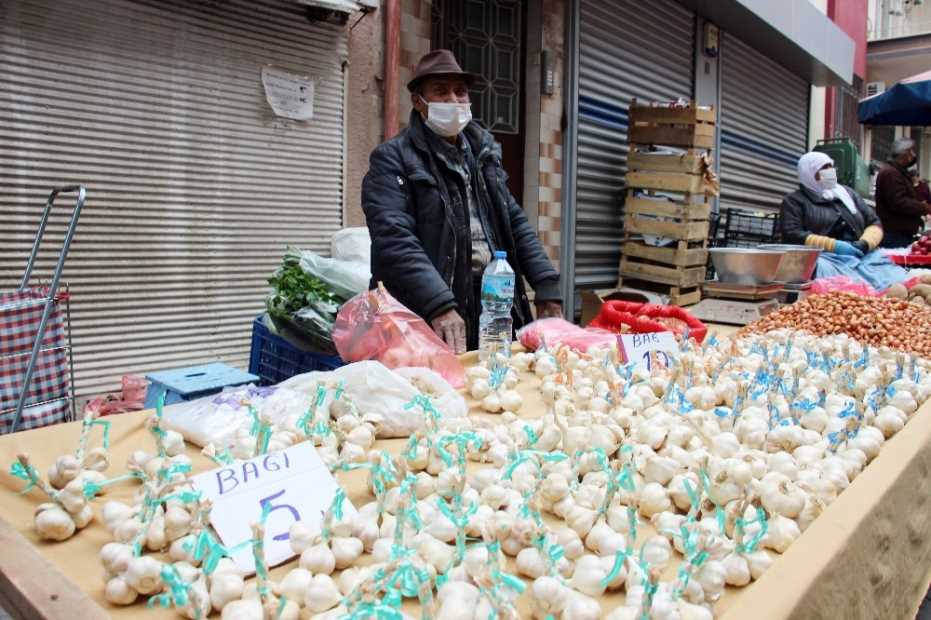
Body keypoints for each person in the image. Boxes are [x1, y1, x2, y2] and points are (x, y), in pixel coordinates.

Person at [361, 50, 561, 354]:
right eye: (441, 92)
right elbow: (394, 238)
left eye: (460, 91)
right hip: (431, 307)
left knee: (497, 386)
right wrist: (438, 302)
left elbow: (514, 221)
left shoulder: (483, 154)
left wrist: (546, 284)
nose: (454, 100)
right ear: (418, 101)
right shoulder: (393, 159)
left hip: (494, 298)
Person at [780, 152, 884, 257]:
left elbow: (874, 222)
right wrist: (834, 246)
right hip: (820, 258)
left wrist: (865, 243)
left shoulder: (848, 193)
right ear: (809, 173)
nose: (830, 171)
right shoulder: (794, 201)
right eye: (824, 167)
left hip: (859, 255)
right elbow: (792, 234)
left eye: (831, 166)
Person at [875, 138, 931, 248]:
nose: (913, 155)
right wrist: (923, 207)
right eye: (911, 152)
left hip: (900, 234)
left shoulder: (898, 173)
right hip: (894, 235)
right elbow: (899, 202)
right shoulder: (890, 173)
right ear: (905, 155)